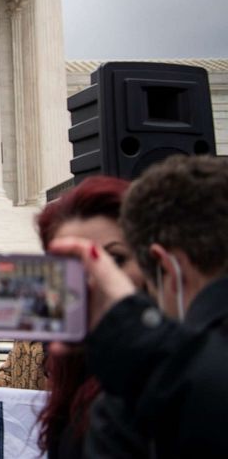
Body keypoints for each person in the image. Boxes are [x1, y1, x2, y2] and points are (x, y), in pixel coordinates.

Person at [51, 155, 228, 457]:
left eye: (115, 260)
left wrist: (144, 347)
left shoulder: (138, 397)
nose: (91, 284)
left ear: (164, 267)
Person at [26, 176, 145, 457]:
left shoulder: (189, 368)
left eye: (115, 260)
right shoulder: (71, 374)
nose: (94, 279)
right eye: (72, 265)